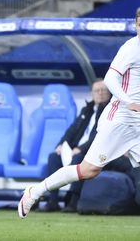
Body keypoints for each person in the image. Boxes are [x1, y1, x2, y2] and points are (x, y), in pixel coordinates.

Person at [18, 8, 140, 219]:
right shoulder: (131, 48)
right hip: (121, 118)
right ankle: (35, 191)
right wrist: (129, 101)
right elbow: (110, 79)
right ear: (136, 25)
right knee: (88, 170)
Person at [41, 79, 111, 212]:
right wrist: (61, 145)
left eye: (104, 90)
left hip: (94, 153)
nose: (100, 93)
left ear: (110, 93)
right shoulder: (87, 110)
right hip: (74, 151)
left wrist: (81, 149)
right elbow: (72, 130)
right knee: (53, 157)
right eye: (97, 90)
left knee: (79, 158)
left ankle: (73, 201)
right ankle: (53, 200)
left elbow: (100, 136)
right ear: (92, 93)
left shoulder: (109, 111)